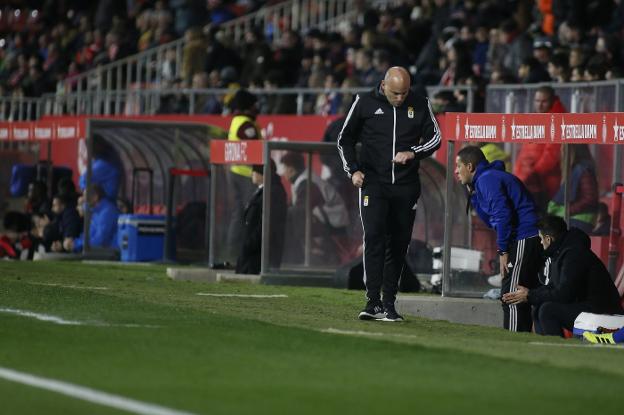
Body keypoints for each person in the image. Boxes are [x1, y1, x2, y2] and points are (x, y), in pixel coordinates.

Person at [337, 66, 441, 322]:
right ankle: (372, 302)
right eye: (395, 93)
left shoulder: (420, 103)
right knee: (374, 237)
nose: (400, 98)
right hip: (373, 184)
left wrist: (413, 152)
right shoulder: (364, 101)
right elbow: (344, 139)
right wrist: (353, 171)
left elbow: (436, 137)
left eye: (404, 93)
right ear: (383, 85)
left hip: (406, 187)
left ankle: (389, 303)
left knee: (398, 244)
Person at [455, 146, 541, 332]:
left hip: (525, 236)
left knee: (511, 296)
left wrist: (503, 251)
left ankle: (515, 343)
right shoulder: (484, 181)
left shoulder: (487, 180)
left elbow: (503, 216)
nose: (456, 170)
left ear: (469, 166)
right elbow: (491, 219)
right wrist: (473, 194)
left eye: (458, 165)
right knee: (516, 294)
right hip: (523, 237)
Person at [503, 216, 622, 336]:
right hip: (589, 308)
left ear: (548, 239)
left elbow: (564, 294)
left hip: (605, 314)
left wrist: (530, 295)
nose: (540, 242)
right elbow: (554, 287)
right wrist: (530, 293)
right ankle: (544, 349)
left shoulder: (574, 254)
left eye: (540, 238)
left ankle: (556, 350)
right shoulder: (560, 252)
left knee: (548, 310)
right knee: (540, 307)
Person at [513, 86, 565, 212]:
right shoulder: (537, 118)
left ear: (552, 101)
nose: (540, 105)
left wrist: (533, 174)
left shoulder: (556, 120)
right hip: (528, 179)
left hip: (542, 184)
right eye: (537, 101)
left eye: (544, 101)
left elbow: (552, 154)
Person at [225, 89, 262, 263]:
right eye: (254, 104)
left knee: (238, 215)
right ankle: (245, 253)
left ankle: (233, 252)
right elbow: (254, 149)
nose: (257, 107)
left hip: (235, 172)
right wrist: (258, 170)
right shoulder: (246, 125)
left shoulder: (236, 121)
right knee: (251, 216)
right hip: (247, 175)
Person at [235, 161, 287, 274]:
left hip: (259, 255)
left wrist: (249, 245)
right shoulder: (263, 190)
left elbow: (266, 224)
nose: (252, 173)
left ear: (261, 173)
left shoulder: (273, 192)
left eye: (254, 170)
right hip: (253, 251)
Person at [547, 144, 599, 234]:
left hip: (579, 219)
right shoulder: (577, 168)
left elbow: (590, 197)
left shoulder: (583, 169)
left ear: (572, 150)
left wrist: (568, 210)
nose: (561, 152)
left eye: (564, 149)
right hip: (575, 218)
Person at [64, 184, 120, 253]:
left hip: (111, 252)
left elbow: (101, 240)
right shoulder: (96, 212)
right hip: (100, 251)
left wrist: (76, 244)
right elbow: (89, 235)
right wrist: (74, 242)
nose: (83, 199)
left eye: (85, 196)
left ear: (95, 197)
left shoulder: (107, 211)